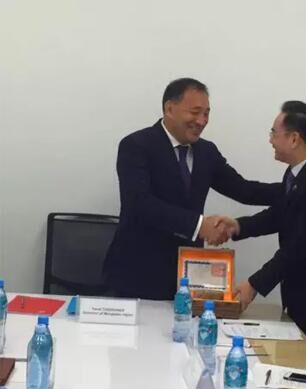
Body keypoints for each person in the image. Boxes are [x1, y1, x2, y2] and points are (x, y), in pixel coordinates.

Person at [103, 78, 282, 300]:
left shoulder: (206, 152)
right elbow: (140, 204)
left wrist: (296, 187)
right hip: (138, 274)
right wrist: (198, 225)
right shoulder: (136, 145)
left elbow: (243, 190)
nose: (202, 121)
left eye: (206, 114)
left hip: (188, 276)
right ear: (169, 108)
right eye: (195, 112)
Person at [217, 101, 306, 355]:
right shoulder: (302, 171)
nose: (270, 140)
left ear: (294, 139)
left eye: (273, 133)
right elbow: (281, 214)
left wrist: (255, 284)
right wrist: (239, 226)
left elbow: (300, 246)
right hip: (301, 287)